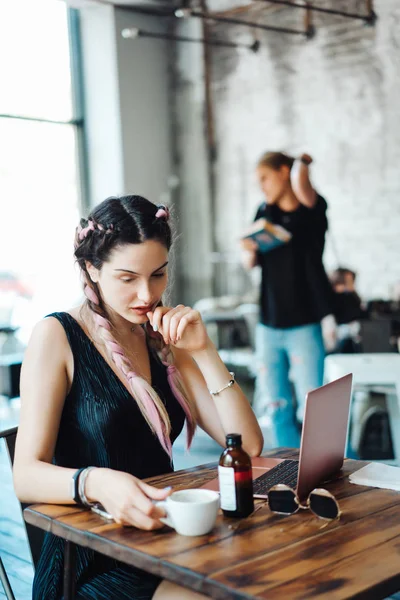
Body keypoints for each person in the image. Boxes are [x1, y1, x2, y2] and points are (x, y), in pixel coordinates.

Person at [13, 195, 263, 600]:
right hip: (91, 556)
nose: (146, 294)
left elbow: (247, 445)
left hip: (163, 538)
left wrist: (204, 351)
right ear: (92, 270)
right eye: (127, 278)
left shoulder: (165, 335)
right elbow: (24, 476)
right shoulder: (57, 336)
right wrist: (94, 482)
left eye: (158, 275)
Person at [241, 152, 334, 448]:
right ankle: (290, 467)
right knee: (277, 406)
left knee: (312, 407)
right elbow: (250, 262)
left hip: (305, 325)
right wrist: (248, 250)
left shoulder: (311, 212)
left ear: (284, 172)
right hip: (269, 324)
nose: (262, 186)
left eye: (265, 178)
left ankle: (319, 469)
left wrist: (302, 165)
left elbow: (304, 188)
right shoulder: (264, 212)